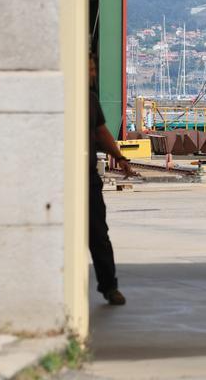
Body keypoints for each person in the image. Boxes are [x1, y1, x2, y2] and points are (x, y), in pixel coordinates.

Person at [88, 54, 133, 306]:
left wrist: (119, 156)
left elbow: (101, 131)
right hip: (64, 179)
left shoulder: (91, 100)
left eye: (95, 68)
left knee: (99, 235)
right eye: (90, 69)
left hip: (88, 179)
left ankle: (109, 286)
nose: (93, 74)